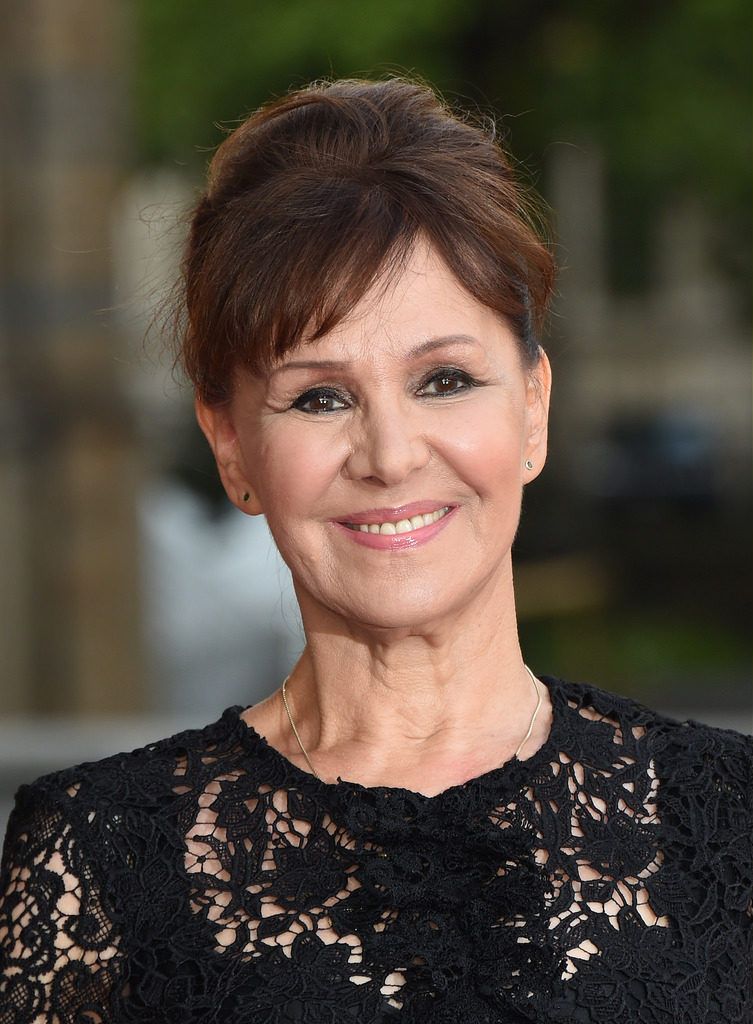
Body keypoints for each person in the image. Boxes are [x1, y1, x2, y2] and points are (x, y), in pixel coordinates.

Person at [0, 77, 750, 1024]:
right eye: (319, 396)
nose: (391, 456)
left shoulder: (728, 819)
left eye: (444, 379)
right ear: (231, 444)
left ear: (533, 407)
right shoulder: (102, 864)